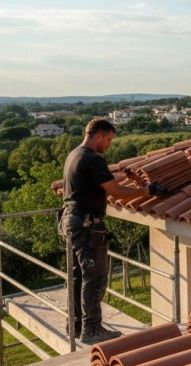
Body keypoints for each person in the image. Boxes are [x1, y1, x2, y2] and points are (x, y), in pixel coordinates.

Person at [58, 118, 165, 343]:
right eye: (108, 139)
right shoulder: (94, 159)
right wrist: (147, 190)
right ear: (98, 136)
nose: (109, 144)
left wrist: (124, 178)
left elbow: (100, 182)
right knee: (94, 278)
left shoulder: (74, 155)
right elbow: (114, 191)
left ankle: (75, 325)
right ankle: (92, 330)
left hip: (71, 220)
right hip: (87, 225)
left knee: (78, 276)